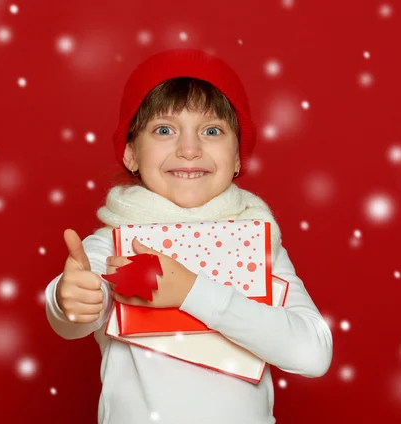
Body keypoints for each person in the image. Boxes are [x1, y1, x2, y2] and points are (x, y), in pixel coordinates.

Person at [45, 49, 333, 424]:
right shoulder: (114, 242)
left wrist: (190, 291)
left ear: (237, 159)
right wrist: (66, 299)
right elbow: (74, 320)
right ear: (131, 152)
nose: (189, 149)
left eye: (212, 131)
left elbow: (312, 354)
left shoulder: (258, 245)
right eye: (164, 130)